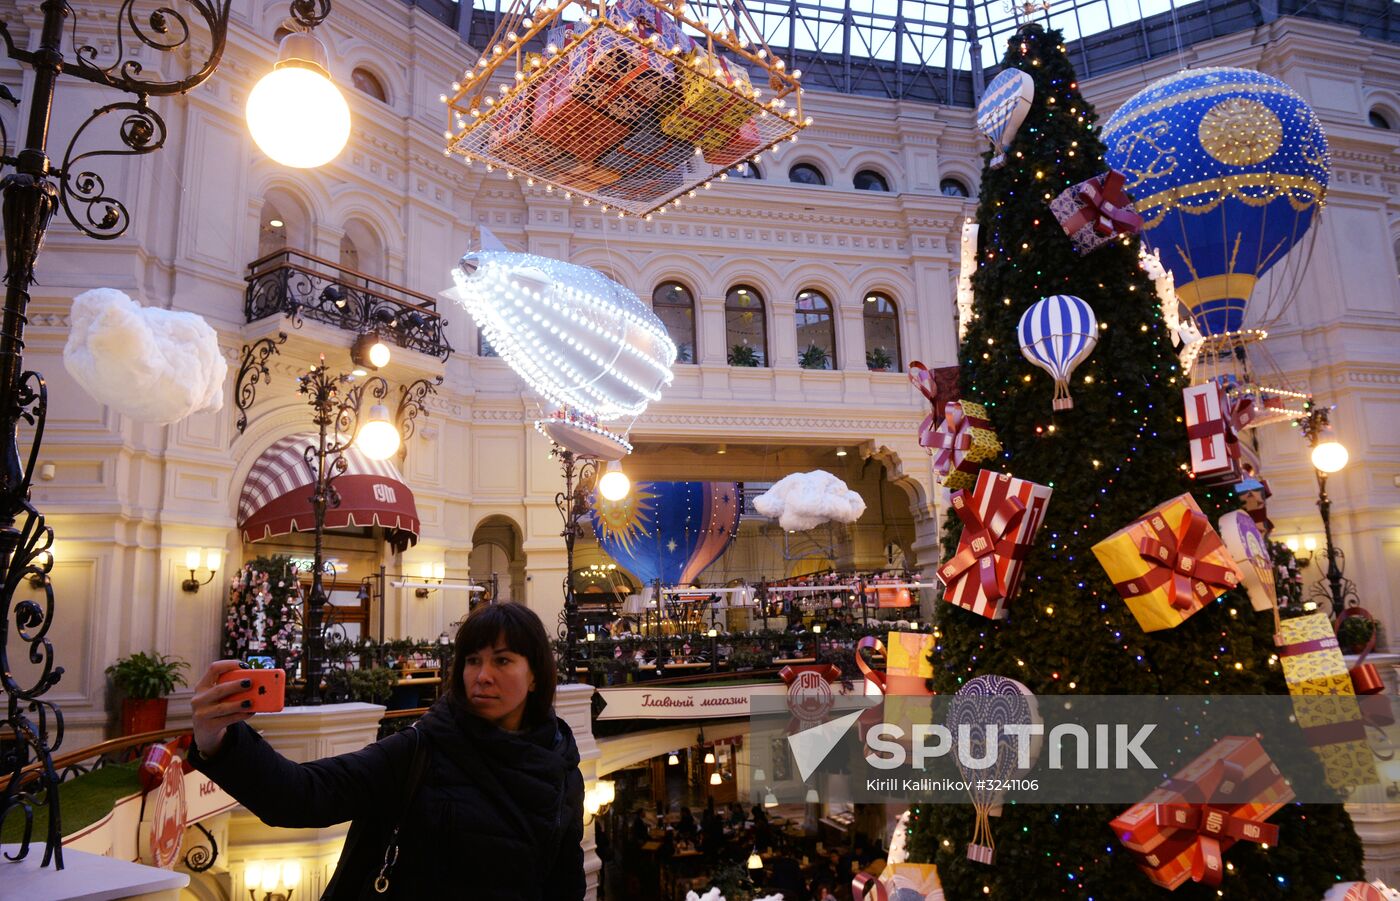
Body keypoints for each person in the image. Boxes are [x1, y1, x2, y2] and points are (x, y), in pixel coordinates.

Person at [188, 602, 585, 899]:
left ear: (535, 676)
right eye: (472, 660)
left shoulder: (560, 760)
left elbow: (564, 880)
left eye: (502, 660)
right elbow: (303, 795)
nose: (482, 676)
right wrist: (219, 740)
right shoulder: (421, 749)